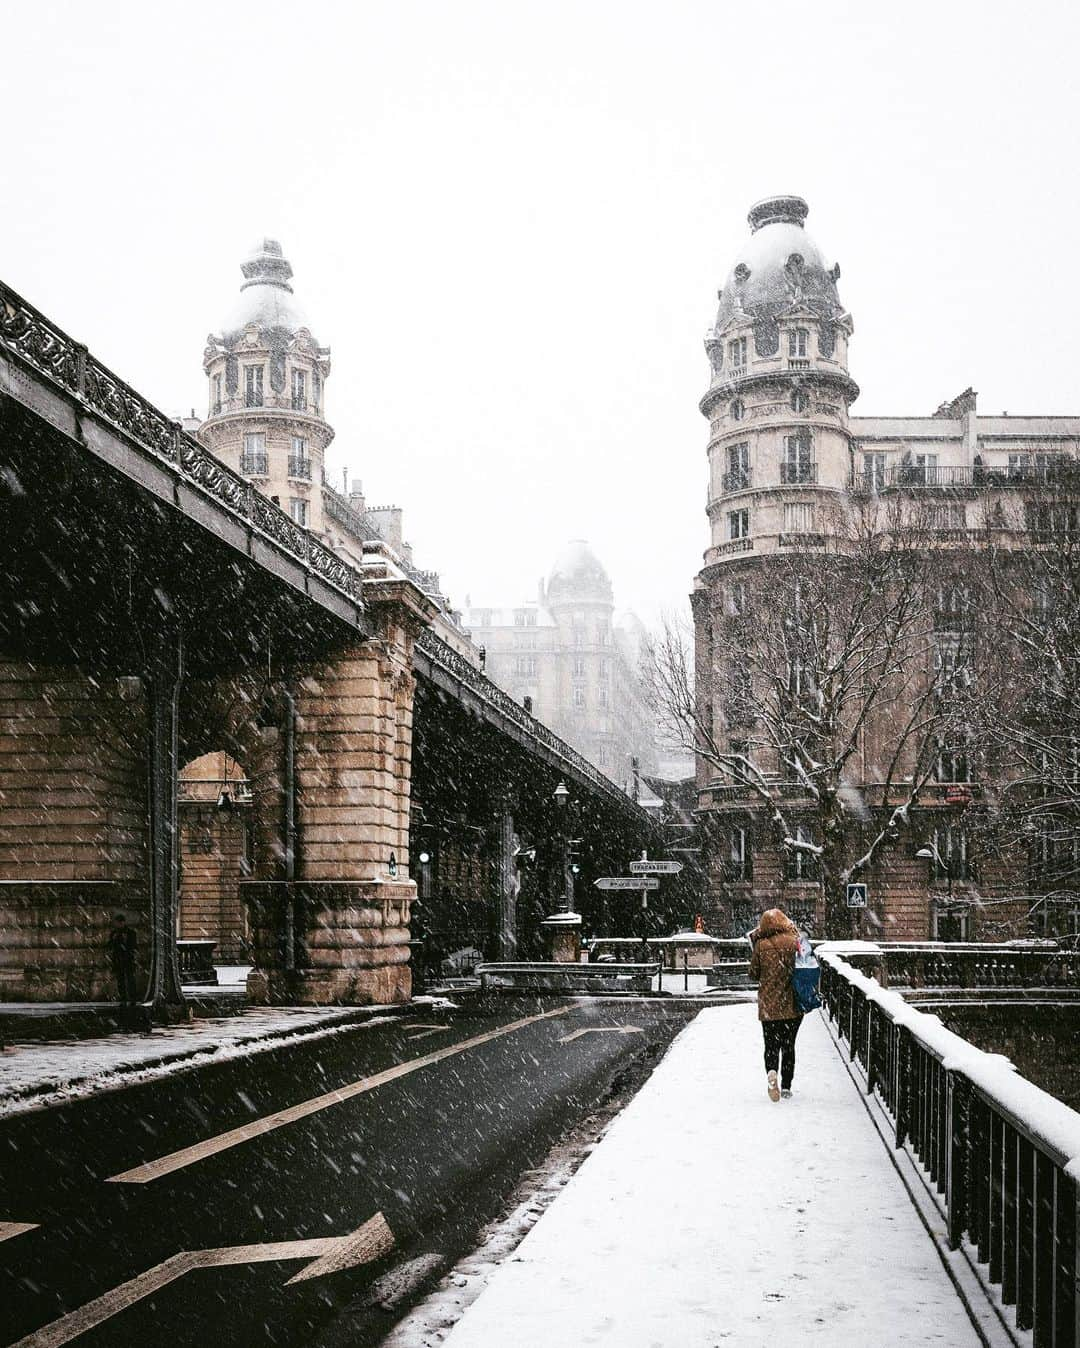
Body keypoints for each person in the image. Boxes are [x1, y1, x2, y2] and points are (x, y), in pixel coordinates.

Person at [748, 907, 802, 1101]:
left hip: (768, 1006)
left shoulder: (761, 945)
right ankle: (786, 1086)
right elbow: (805, 967)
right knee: (789, 1046)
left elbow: (753, 974)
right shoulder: (794, 942)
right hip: (792, 1005)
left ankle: (772, 1071)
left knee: (770, 1045)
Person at [107, 913, 138, 1009]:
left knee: (130, 980)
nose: (117, 925)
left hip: (127, 959)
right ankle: (123, 999)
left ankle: (132, 999)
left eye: (118, 923)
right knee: (121, 981)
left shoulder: (130, 933)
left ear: (122, 923)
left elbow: (133, 946)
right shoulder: (114, 933)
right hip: (119, 960)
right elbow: (110, 946)